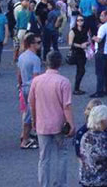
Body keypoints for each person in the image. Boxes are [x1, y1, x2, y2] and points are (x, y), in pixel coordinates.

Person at [29, 50, 74, 187]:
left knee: (43, 157)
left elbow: (32, 102)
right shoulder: (64, 82)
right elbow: (66, 106)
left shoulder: (36, 81)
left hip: (42, 123)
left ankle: (44, 184)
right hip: (59, 124)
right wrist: (71, 124)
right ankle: (60, 183)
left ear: (46, 63)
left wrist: (34, 121)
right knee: (62, 154)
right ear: (59, 63)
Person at [18, 33, 44, 150]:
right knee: (30, 114)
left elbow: (18, 73)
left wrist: (20, 85)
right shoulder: (35, 59)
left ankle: (25, 135)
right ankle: (25, 140)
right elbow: (36, 78)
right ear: (31, 44)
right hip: (32, 88)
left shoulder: (22, 56)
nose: (40, 44)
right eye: (38, 42)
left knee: (27, 113)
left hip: (24, 86)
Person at [67, 14, 89, 96]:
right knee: (81, 70)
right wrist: (80, 45)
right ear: (76, 21)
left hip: (83, 52)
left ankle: (77, 88)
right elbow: (70, 43)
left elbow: (88, 39)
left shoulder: (85, 29)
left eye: (81, 20)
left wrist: (87, 43)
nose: (80, 22)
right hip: (76, 52)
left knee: (81, 70)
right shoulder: (73, 31)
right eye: (78, 20)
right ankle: (76, 89)